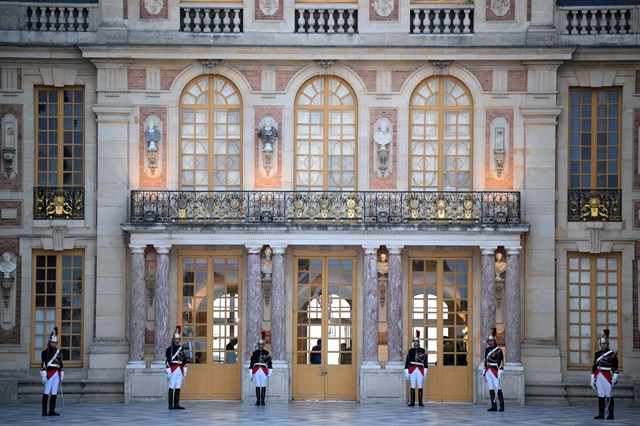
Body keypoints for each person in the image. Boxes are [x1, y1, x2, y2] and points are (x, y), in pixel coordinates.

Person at [591, 329, 619, 420]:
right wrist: (592, 379)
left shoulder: (612, 354)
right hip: (598, 375)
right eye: (602, 344)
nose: (604, 345)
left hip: (607, 375)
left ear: (608, 344)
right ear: (600, 344)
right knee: (601, 394)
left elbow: (616, 368)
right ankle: (601, 414)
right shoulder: (597, 353)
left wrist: (615, 378)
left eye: (605, 344)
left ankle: (610, 415)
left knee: (609, 395)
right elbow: (594, 366)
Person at [40, 327, 63, 416]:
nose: (54, 344)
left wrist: (62, 373)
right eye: (52, 342)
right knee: (46, 391)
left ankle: (52, 410)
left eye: (55, 342)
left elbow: (61, 363)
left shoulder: (58, 351)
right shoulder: (45, 352)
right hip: (49, 373)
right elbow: (43, 364)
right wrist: (43, 375)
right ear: (50, 342)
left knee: (54, 392)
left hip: (57, 373)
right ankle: (44, 411)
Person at [165, 325, 188, 410]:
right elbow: (167, 361)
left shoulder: (182, 348)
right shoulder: (169, 349)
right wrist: (168, 371)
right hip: (173, 369)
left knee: (178, 385)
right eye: (176, 339)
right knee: (171, 386)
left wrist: (185, 370)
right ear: (173, 339)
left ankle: (176, 403)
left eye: (178, 339)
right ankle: (170, 404)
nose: (177, 340)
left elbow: (184, 360)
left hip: (180, 369)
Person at [404, 331, 428, 407]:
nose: (415, 343)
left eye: (417, 341)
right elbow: (408, 360)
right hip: (412, 368)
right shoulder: (410, 351)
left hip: (420, 369)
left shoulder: (422, 350)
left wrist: (425, 370)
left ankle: (420, 402)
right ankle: (412, 402)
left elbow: (424, 361)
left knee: (420, 385)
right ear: (413, 342)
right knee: (412, 385)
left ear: (419, 342)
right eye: (414, 341)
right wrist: (406, 370)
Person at [483, 329, 505, 412]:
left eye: (491, 340)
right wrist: (484, 370)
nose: (490, 342)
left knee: (497, 387)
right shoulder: (487, 350)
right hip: (488, 370)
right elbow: (486, 360)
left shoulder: (499, 350)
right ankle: (493, 405)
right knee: (491, 387)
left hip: (495, 370)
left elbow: (501, 362)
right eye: (489, 341)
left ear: (494, 341)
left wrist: (500, 371)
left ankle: (502, 405)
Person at [250, 332, 273, 406]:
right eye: (260, 344)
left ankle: (262, 401)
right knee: (257, 385)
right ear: (258, 345)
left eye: (262, 344)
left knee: (263, 385)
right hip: (256, 369)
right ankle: (258, 400)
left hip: (263, 370)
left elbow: (269, 363)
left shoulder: (267, 353)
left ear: (263, 345)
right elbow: (252, 362)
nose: (261, 345)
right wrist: (251, 372)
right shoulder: (254, 353)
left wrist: (270, 371)